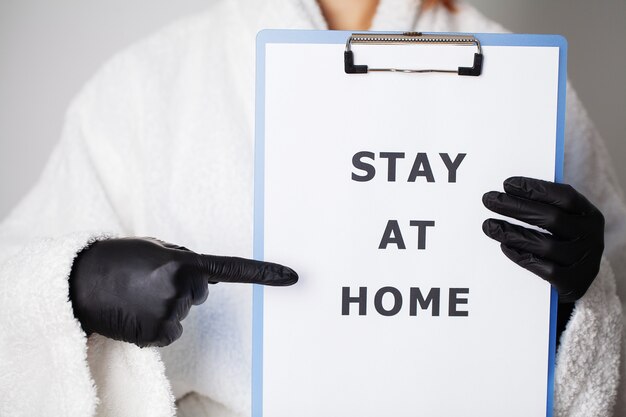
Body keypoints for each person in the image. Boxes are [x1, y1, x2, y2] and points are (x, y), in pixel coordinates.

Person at [0, 0, 624, 416]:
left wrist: (582, 298)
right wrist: (77, 282)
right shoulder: (147, 87)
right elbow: (13, 294)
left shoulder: (520, 81)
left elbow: (600, 357)